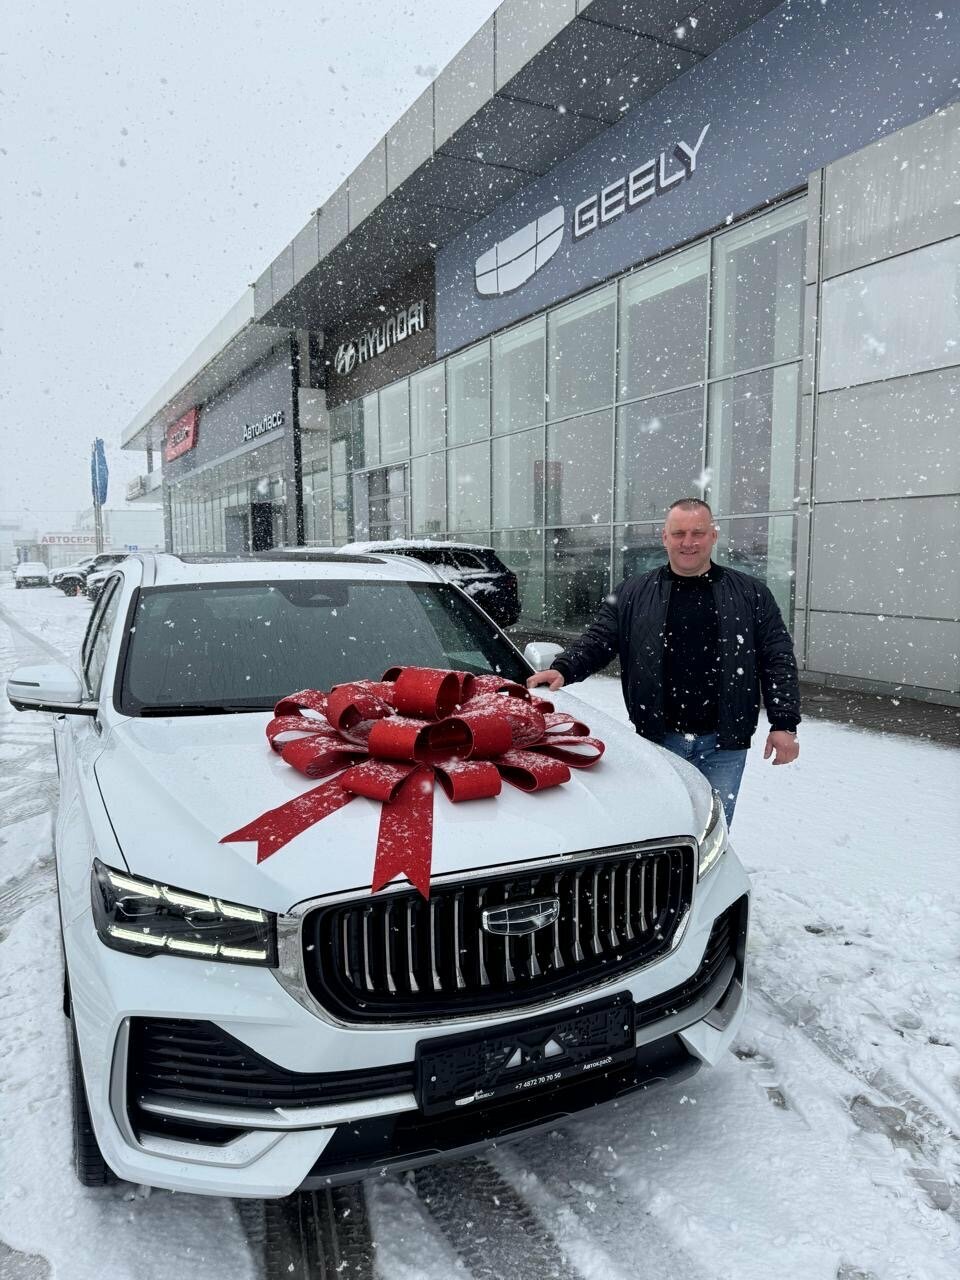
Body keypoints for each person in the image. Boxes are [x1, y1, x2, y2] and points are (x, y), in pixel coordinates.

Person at [527, 498, 800, 825]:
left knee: (713, 829)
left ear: (713, 536)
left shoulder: (750, 594)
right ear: (665, 537)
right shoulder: (633, 592)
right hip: (657, 741)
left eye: (698, 533)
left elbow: (777, 658)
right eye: (679, 533)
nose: (688, 542)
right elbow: (599, 639)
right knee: (661, 829)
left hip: (724, 745)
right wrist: (564, 667)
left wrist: (784, 723)